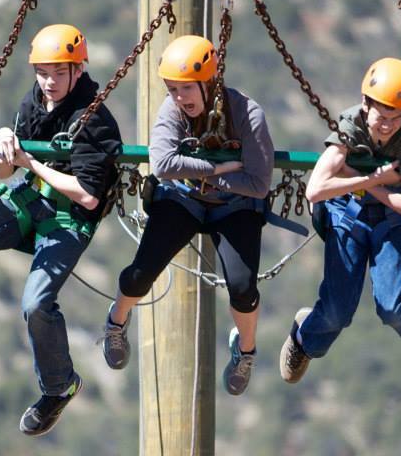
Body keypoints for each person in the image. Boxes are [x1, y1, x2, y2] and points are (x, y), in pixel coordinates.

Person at [0, 24, 122, 436]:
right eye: (42, 73)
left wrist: (30, 163)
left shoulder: (95, 121)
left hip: (68, 217)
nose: (49, 82)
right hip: (28, 196)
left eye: (58, 72)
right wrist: (4, 144)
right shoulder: (33, 102)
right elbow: (4, 173)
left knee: (36, 304)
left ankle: (59, 386)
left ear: (79, 69)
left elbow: (88, 196)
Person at [99, 35, 274, 396]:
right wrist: (220, 169)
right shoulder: (172, 110)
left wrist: (204, 173)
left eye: (187, 89)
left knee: (243, 288)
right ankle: (116, 321)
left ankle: (245, 350)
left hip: (236, 205)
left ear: (209, 82)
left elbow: (258, 184)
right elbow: (163, 164)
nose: (180, 98)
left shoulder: (247, 114)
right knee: (140, 273)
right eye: (173, 90)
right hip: (183, 198)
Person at [278, 57, 401, 384]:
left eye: (395, 118)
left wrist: (368, 183)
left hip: (392, 219)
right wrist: (374, 180)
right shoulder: (350, 126)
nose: (387, 126)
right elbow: (315, 190)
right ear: (366, 105)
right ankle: (304, 338)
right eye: (382, 117)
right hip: (348, 213)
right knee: (336, 311)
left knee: (392, 306)